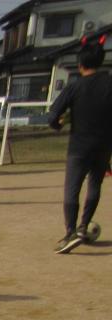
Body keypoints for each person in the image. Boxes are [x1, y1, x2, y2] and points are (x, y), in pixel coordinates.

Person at [48, 34, 112, 254]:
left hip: (79, 146)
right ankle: (84, 226)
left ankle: (70, 233)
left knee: (72, 189)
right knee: (95, 185)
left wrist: (58, 124)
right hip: (104, 145)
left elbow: (52, 117)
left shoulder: (74, 87)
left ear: (80, 63)